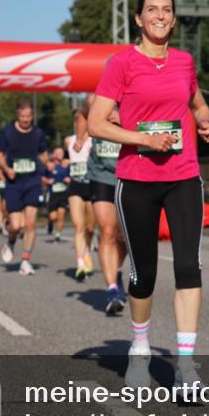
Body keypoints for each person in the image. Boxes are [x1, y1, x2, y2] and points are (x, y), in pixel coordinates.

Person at [87, 0, 209, 387]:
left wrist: (205, 123)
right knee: (143, 273)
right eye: (152, 10)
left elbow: (198, 104)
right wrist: (143, 140)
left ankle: (186, 365)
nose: (159, 16)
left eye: (166, 10)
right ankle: (140, 349)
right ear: (139, 19)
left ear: (173, 19)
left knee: (188, 267)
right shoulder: (121, 64)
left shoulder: (184, 62)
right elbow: (96, 123)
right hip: (137, 179)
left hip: (183, 176)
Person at [77, 97, 125, 310]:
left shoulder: (136, 92)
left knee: (124, 236)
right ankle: (112, 289)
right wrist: (81, 137)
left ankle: (117, 270)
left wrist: (123, 118)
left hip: (128, 170)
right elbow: (82, 114)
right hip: (100, 173)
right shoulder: (94, 98)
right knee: (107, 230)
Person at [0, 99, 48, 275]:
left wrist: (45, 161)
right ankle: (11, 241)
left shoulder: (38, 133)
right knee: (16, 226)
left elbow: (43, 153)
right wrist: (6, 169)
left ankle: (25, 261)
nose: (26, 120)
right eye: (23, 116)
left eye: (29, 117)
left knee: (30, 223)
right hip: (14, 183)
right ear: (17, 115)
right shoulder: (8, 132)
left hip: (33, 181)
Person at [65, 110, 95, 282]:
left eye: (83, 121)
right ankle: (80, 263)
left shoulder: (93, 141)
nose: (80, 125)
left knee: (90, 228)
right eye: (77, 122)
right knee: (78, 226)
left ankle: (87, 251)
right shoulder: (68, 141)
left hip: (91, 186)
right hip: (75, 186)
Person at [42, 156, 69, 242]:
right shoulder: (46, 171)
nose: (48, 166)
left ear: (54, 163)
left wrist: (68, 179)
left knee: (61, 215)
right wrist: (47, 181)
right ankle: (50, 223)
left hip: (62, 195)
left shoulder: (62, 170)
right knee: (53, 217)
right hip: (52, 195)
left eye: (50, 164)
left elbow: (70, 177)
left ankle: (58, 235)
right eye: (47, 164)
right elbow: (41, 177)